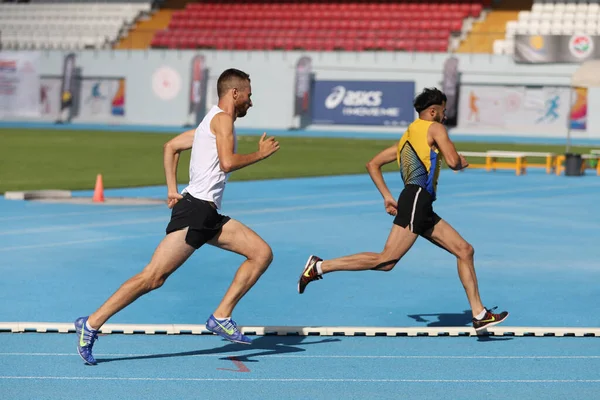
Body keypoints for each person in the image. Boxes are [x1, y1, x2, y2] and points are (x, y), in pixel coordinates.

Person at [75, 68, 280, 365]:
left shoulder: (207, 123)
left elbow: (170, 146)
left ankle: (221, 316)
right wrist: (259, 155)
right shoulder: (222, 120)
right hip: (196, 210)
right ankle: (91, 324)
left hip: (207, 212)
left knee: (261, 253)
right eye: (249, 93)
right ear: (234, 93)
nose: (251, 100)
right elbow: (226, 163)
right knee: (152, 277)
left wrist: (172, 189)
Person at [297, 87, 509, 332]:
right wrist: (461, 161)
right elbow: (453, 162)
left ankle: (479, 313)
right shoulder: (436, 128)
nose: (445, 114)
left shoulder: (407, 137)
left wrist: (387, 197)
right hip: (417, 198)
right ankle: (320, 266)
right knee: (386, 260)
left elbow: (372, 163)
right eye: (443, 110)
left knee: (464, 250)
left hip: (419, 201)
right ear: (432, 111)